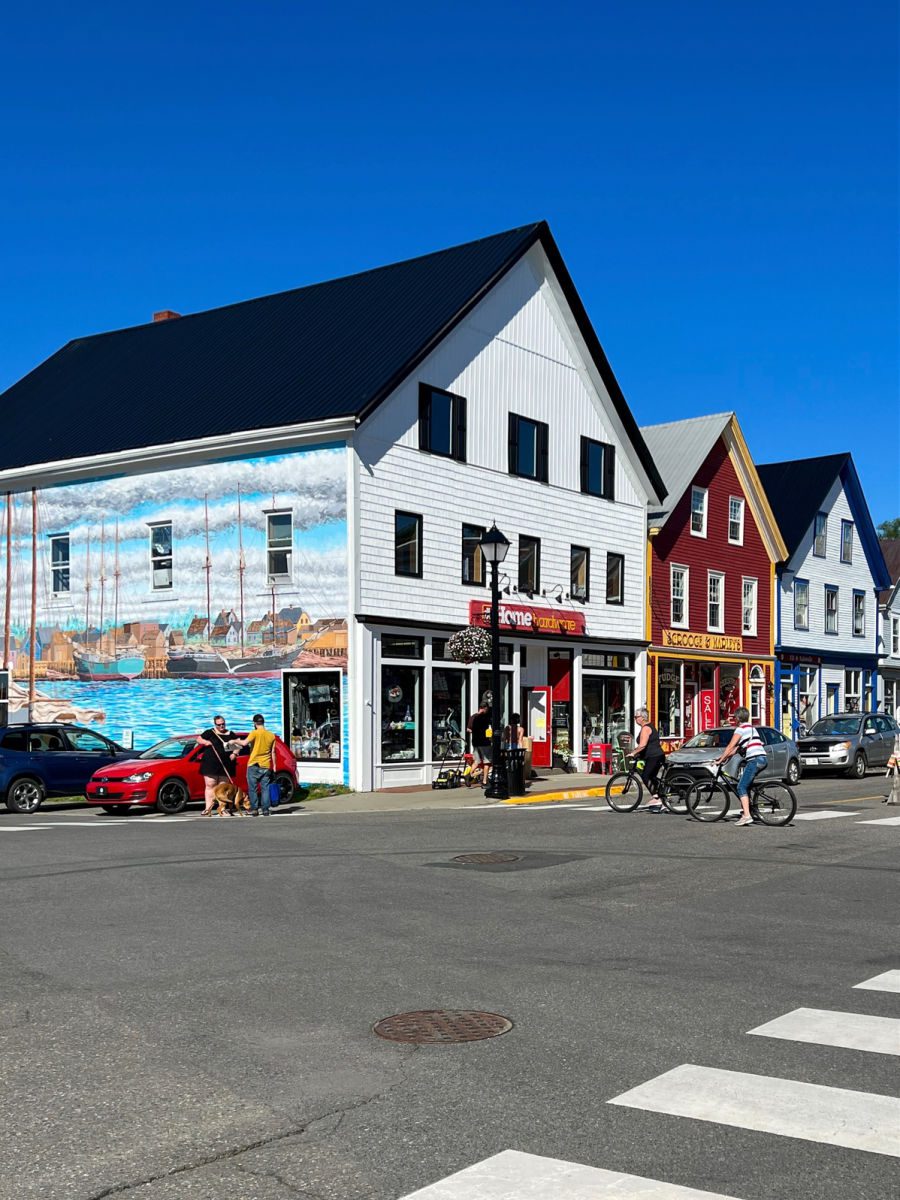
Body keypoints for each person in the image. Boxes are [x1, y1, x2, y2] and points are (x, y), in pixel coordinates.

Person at [715, 706, 767, 827]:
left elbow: (730, 746)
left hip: (754, 760)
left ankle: (747, 816)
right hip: (762, 759)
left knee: (741, 787)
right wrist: (724, 758)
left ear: (738, 718)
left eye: (735, 717)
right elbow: (736, 749)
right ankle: (750, 810)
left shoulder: (741, 729)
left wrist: (720, 760)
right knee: (746, 785)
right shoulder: (752, 729)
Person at [233, 713, 277, 815]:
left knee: (253, 788)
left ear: (254, 723)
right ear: (263, 722)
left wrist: (234, 741)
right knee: (265, 788)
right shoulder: (271, 735)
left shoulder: (254, 733)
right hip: (266, 765)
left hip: (253, 764)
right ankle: (265, 810)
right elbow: (273, 752)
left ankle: (255, 809)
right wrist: (274, 766)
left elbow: (244, 743)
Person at [195, 714, 238, 816]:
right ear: (215, 724)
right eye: (219, 725)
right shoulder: (210, 732)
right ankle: (208, 808)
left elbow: (238, 745)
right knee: (210, 785)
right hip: (210, 763)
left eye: (223, 724)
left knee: (222, 787)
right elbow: (198, 739)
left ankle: (222, 809)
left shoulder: (231, 734)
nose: (221, 726)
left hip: (226, 764)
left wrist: (235, 753)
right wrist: (206, 742)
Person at [626, 707, 666, 812]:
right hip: (656, 755)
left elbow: (643, 745)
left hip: (654, 756)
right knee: (652, 776)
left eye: (636, 717)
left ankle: (656, 797)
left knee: (646, 775)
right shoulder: (650, 726)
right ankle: (661, 798)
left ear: (642, 718)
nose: (635, 719)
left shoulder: (646, 728)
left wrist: (633, 753)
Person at [467, 701, 492, 786]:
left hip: (475, 742)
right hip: (484, 742)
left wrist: (475, 732)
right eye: (487, 709)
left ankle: (469, 774)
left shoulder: (473, 717)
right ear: (485, 708)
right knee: (487, 762)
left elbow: (468, 729)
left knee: (476, 761)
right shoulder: (485, 718)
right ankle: (485, 781)